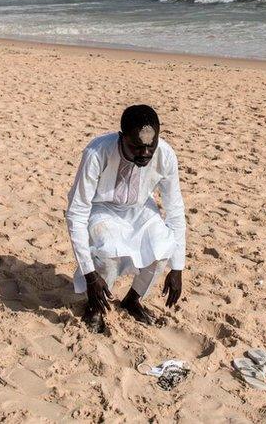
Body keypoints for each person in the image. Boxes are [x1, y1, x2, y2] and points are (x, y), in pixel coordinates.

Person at [65, 104, 187, 333]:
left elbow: (175, 209)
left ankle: (132, 300)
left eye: (151, 146)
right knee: (108, 256)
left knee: (163, 248)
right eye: (136, 147)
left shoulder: (166, 155)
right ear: (122, 138)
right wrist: (90, 276)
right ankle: (95, 306)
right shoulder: (97, 152)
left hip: (140, 209)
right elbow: (76, 212)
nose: (145, 154)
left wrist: (177, 267)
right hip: (101, 208)